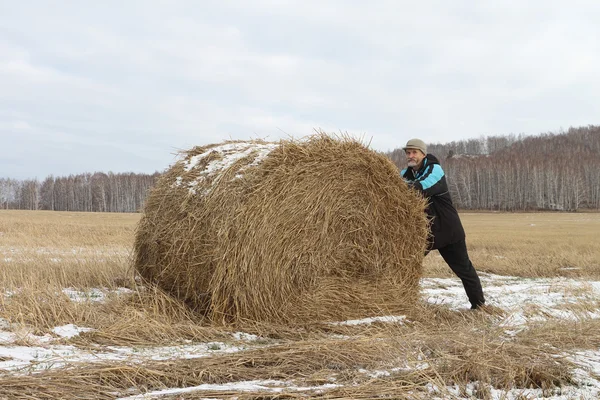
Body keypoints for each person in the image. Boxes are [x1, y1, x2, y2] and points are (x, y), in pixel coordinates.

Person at [400, 138, 485, 310]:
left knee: (464, 270)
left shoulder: (434, 169)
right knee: (405, 264)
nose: (410, 156)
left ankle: (479, 306)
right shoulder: (406, 174)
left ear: (423, 154)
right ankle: (400, 303)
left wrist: (400, 186)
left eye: (414, 152)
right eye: (408, 153)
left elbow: (421, 187)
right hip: (426, 233)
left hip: (448, 230)